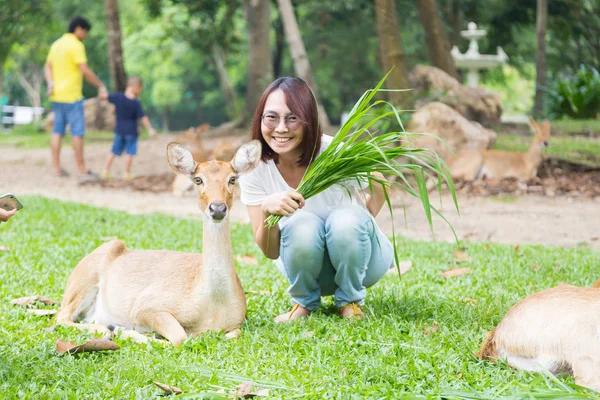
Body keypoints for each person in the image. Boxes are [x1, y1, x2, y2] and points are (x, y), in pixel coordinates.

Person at [239, 77, 394, 323]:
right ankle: (304, 302)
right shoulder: (255, 167)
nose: (280, 128)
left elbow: (380, 181)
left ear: (308, 120)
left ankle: (350, 301)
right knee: (302, 224)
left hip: (364, 263)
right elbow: (269, 251)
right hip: (307, 271)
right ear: (260, 120)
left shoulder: (332, 152)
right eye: (271, 117)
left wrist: (361, 220)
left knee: (345, 220)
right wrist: (268, 212)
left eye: (292, 118)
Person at [44, 16, 108, 178]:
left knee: (57, 132)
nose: (85, 35)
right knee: (77, 132)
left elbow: (47, 67)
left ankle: (56, 168)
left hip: (57, 95)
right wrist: (100, 85)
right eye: (85, 31)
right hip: (72, 96)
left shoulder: (56, 44)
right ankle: (81, 168)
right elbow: (85, 71)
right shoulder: (76, 45)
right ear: (78, 28)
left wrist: (50, 84)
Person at [101, 76, 156, 180]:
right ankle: (126, 172)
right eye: (140, 89)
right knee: (130, 152)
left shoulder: (118, 97)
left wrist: (102, 88)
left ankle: (105, 171)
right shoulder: (136, 102)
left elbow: (104, 96)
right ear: (136, 87)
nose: (140, 91)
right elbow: (143, 117)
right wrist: (150, 129)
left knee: (113, 151)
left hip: (119, 130)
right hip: (131, 131)